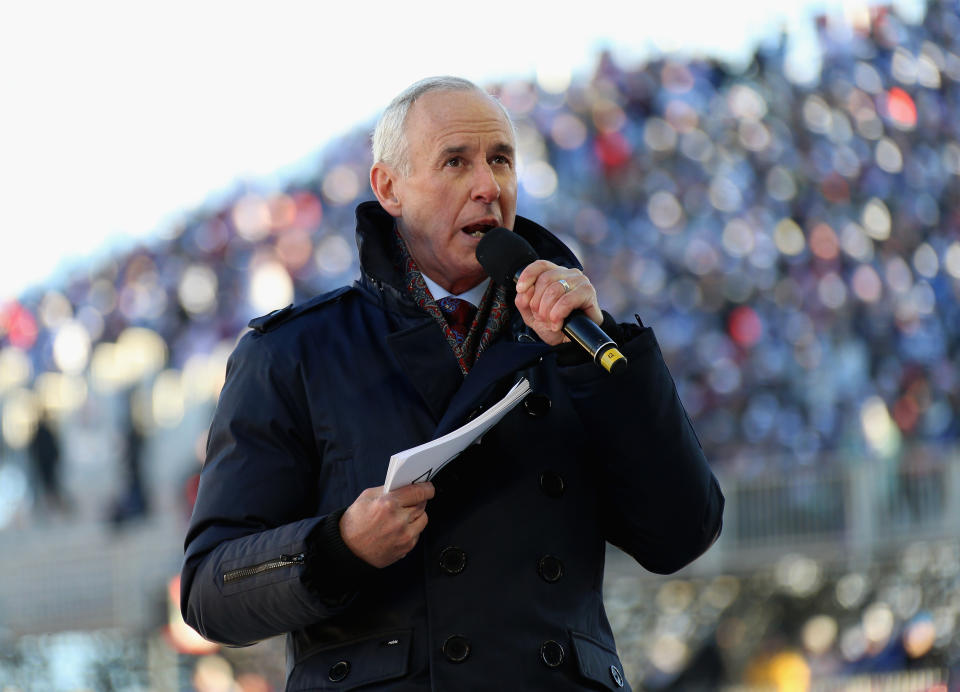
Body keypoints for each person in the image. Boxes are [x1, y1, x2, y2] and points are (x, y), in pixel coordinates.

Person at [181, 76, 724, 691]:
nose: (488, 186)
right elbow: (211, 591)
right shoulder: (293, 351)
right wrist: (339, 547)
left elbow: (683, 534)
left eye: (500, 160)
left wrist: (605, 358)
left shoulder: (579, 342)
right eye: (455, 162)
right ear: (389, 188)